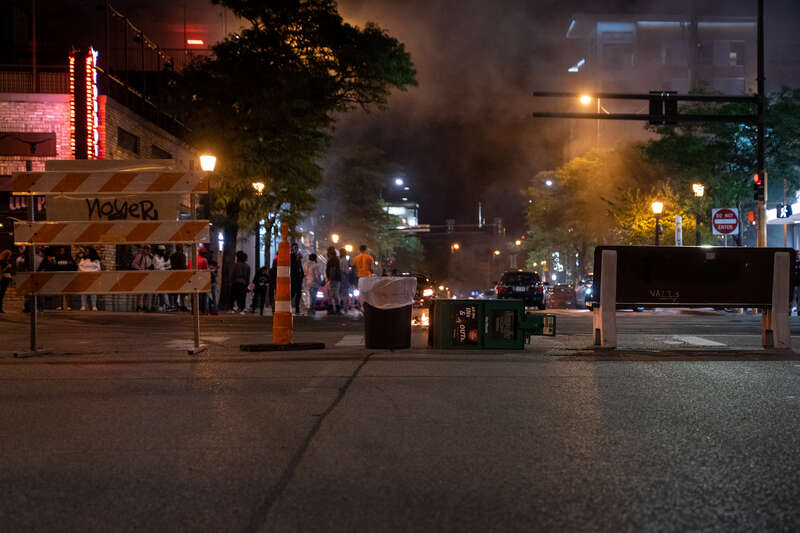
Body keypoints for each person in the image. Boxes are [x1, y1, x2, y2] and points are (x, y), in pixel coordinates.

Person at [132, 244, 155, 312]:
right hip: (141, 275)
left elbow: (151, 265)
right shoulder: (140, 256)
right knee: (140, 292)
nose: (148, 250)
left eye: (149, 249)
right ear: (144, 249)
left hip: (147, 275)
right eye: (147, 249)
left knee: (146, 292)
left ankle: (145, 305)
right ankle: (139, 306)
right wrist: (140, 269)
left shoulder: (149, 257)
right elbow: (133, 264)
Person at [188, 246, 209, 313]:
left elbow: (188, 269)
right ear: (203, 253)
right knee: (201, 295)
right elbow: (205, 271)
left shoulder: (192, 259)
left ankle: (194, 310)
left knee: (193, 295)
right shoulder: (204, 260)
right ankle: (200, 310)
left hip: (192, 279)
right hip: (200, 280)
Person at [169, 244, 188, 311]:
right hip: (181, 275)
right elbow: (183, 266)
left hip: (174, 275)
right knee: (183, 292)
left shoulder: (172, 256)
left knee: (175, 292)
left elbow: (172, 265)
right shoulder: (183, 256)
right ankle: (183, 305)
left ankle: (175, 305)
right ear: (181, 248)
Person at [153, 245, 170, 312]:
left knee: (162, 292)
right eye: (163, 250)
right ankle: (166, 305)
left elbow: (162, 266)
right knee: (162, 292)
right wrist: (165, 264)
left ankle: (162, 306)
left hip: (163, 277)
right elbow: (157, 267)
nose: (164, 252)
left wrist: (166, 266)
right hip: (157, 277)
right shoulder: (155, 258)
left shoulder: (162, 258)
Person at [325, 247, 342, 315]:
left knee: (332, 294)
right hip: (336, 279)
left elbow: (332, 269)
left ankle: (332, 309)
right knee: (334, 294)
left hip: (333, 279)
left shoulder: (332, 259)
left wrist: (330, 279)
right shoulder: (335, 259)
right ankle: (336, 309)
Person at [290, 243, 304, 315]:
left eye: (296, 248)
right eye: (294, 248)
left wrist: (302, 274)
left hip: (298, 278)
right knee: (292, 293)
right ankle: (289, 307)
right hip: (293, 278)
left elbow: (300, 266)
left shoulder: (298, 257)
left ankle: (297, 309)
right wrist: (297, 259)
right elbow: (292, 266)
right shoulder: (291, 256)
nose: (295, 249)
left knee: (298, 293)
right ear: (292, 248)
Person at [339, 247, 351, 312]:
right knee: (346, 294)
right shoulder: (345, 260)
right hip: (344, 278)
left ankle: (339, 307)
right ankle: (345, 308)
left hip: (339, 278)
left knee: (339, 294)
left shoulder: (339, 260)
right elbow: (346, 271)